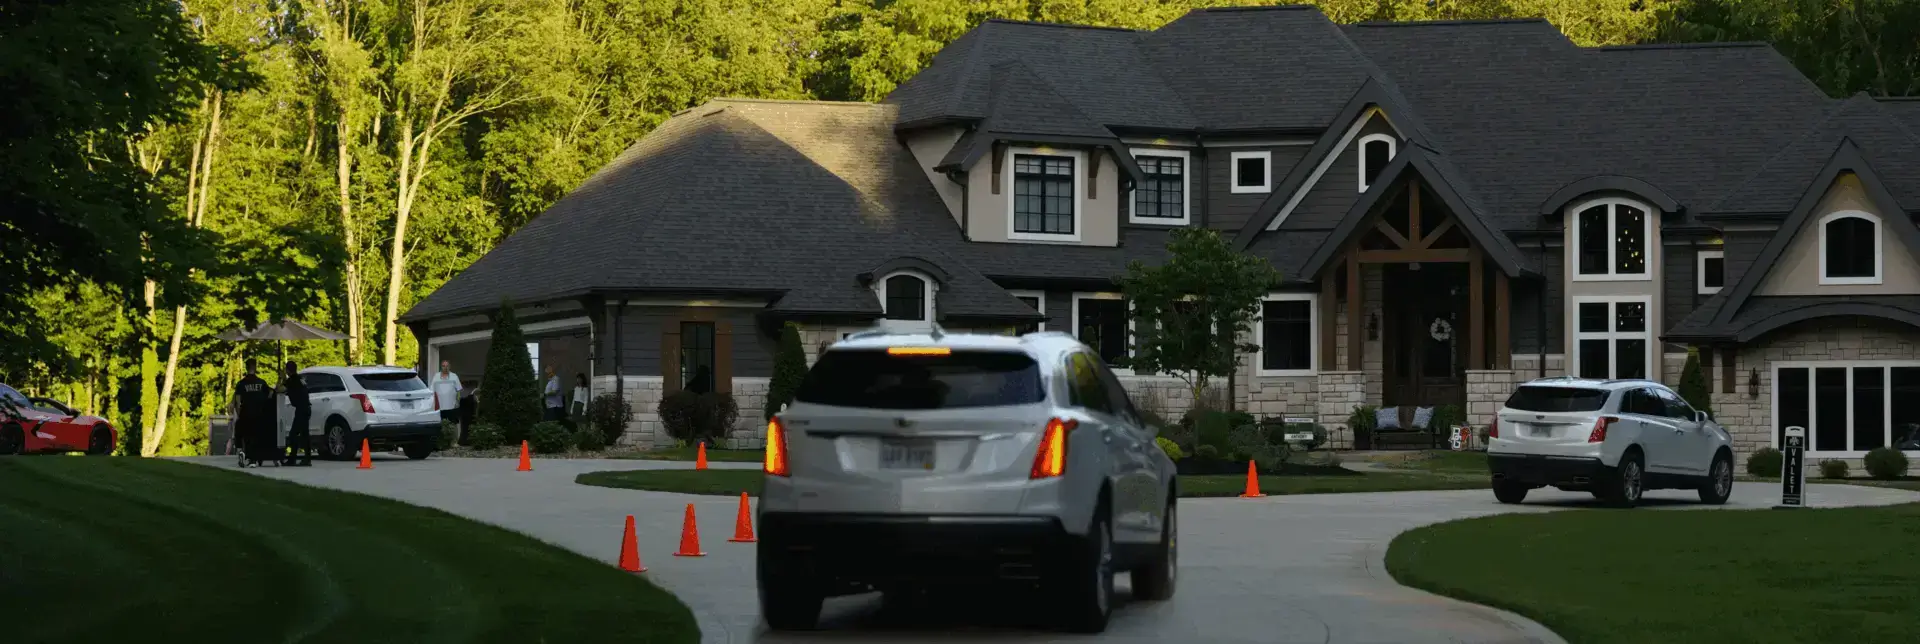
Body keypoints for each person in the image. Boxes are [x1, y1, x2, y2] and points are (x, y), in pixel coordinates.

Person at [231, 359, 277, 468]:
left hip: (246, 413)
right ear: (255, 367)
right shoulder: (261, 383)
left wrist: (239, 413)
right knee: (256, 437)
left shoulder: (241, 384)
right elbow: (271, 392)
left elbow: (237, 401)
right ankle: (253, 459)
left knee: (245, 436)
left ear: (246, 368)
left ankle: (244, 453)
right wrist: (267, 401)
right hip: (259, 414)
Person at [282, 362, 313, 466]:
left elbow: (280, 389)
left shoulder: (292, 380)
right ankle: (307, 459)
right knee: (304, 435)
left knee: (293, 435)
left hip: (301, 409)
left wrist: (281, 379)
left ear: (288, 370)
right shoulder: (300, 379)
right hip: (306, 408)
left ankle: (292, 459)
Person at [432, 361, 463, 438]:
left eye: (447, 366)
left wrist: (457, 402)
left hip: (452, 406)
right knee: (441, 425)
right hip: (440, 407)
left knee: (453, 424)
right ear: (441, 367)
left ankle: (454, 441)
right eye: (443, 366)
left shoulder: (454, 376)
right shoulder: (436, 376)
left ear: (450, 367)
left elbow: (459, 390)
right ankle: (442, 441)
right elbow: (432, 390)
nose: (445, 368)